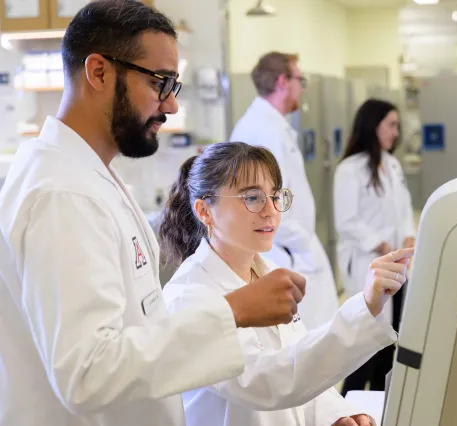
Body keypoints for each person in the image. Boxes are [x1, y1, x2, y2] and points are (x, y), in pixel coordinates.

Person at [0, 2, 307, 426]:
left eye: (173, 87)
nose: (171, 106)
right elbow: (87, 374)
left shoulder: (87, 176)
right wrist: (232, 311)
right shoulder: (63, 193)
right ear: (99, 72)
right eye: (161, 83)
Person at [160, 141, 414, 426]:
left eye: (275, 196)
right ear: (204, 211)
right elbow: (268, 381)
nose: (271, 211)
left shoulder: (268, 274)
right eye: (252, 197)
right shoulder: (189, 297)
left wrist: (336, 415)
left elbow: (298, 358)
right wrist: (365, 307)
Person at [229, 51, 339, 330]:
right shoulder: (266, 132)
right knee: (302, 343)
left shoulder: (269, 126)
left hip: (287, 248)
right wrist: (304, 247)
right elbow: (269, 206)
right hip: (284, 252)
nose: (302, 88)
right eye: (300, 80)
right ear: (282, 82)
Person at [333, 99, 416, 396]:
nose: (397, 132)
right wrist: (379, 243)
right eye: (391, 125)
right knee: (364, 343)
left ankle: (379, 405)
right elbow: (347, 221)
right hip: (368, 263)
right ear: (373, 125)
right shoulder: (349, 170)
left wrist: (408, 235)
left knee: (388, 339)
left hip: (397, 264)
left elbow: (404, 208)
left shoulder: (392, 164)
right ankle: (349, 404)